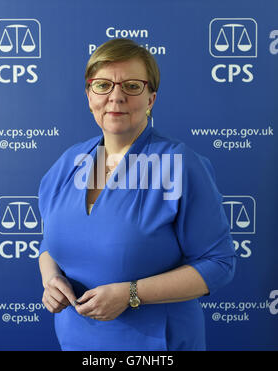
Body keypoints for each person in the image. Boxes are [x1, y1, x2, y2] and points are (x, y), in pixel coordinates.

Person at [38, 38, 236, 351]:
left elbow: (219, 264)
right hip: (78, 340)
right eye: (102, 85)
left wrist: (131, 294)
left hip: (157, 344)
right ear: (89, 96)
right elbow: (50, 242)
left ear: (151, 99)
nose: (116, 97)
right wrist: (51, 280)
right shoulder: (67, 164)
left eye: (131, 86)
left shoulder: (179, 164)